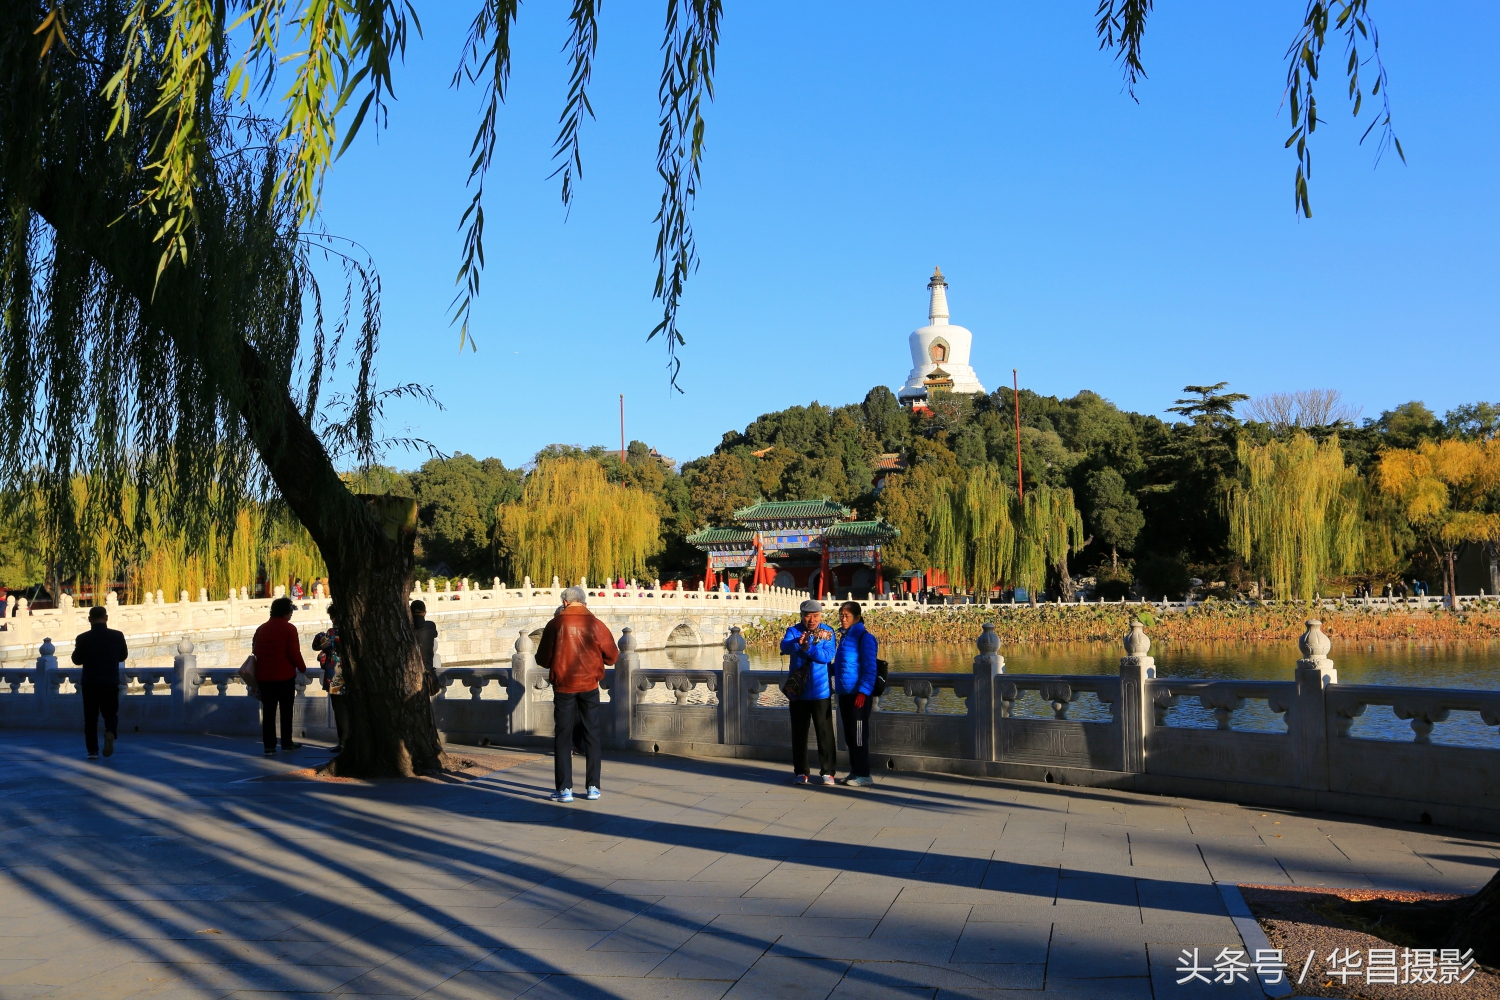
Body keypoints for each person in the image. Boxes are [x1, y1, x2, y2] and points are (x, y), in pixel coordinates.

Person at [535, 586, 618, 803]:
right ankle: (593, 787)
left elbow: (542, 659)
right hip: (589, 685)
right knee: (592, 734)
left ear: (564, 603)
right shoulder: (596, 624)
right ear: (584, 603)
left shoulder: (555, 624)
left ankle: (565, 790)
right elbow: (612, 656)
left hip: (563, 687)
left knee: (563, 737)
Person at [780, 599, 837, 785]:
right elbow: (784, 647)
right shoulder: (793, 631)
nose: (811, 619)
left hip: (821, 691)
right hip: (799, 692)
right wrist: (798, 642)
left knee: (825, 732)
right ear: (802, 615)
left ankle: (828, 771)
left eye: (815, 616)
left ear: (820, 616)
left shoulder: (828, 632)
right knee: (799, 733)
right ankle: (801, 772)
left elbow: (827, 656)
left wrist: (809, 647)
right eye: (807, 615)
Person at [71, 605, 128, 759]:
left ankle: (92, 751)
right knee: (110, 713)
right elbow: (123, 656)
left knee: (90, 718)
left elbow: (76, 660)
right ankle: (110, 731)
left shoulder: (83, 638)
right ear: (106, 618)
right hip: (110, 681)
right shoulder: (117, 636)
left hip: (90, 683)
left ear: (89, 619)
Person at [253, 596, 307, 755]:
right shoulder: (289, 629)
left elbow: (255, 651)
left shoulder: (261, 628)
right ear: (285, 612)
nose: (291, 615)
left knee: (268, 713)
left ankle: (269, 746)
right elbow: (294, 653)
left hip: (264, 678)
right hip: (284, 677)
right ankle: (286, 742)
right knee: (286, 711)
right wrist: (302, 668)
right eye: (291, 611)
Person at [832, 601, 878, 787]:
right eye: (841, 615)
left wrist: (863, 692)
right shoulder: (844, 637)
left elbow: (870, 668)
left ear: (857, 618)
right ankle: (855, 771)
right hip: (845, 693)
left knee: (859, 735)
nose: (843, 619)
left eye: (847, 616)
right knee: (850, 735)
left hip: (859, 695)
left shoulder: (864, 638)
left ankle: (864, 774)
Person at [312, 607, 349, 752]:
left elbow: (316, 645)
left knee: (340, 710)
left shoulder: (332, 634)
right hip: (354, 674)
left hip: (335, 675)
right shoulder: (356, 630)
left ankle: (343, 742)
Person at [411, 600, 439, 696]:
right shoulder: (430, 625)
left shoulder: (406, 627)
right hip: (427, 672)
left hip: (411, 673)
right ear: (424, 612)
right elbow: (434, 635)